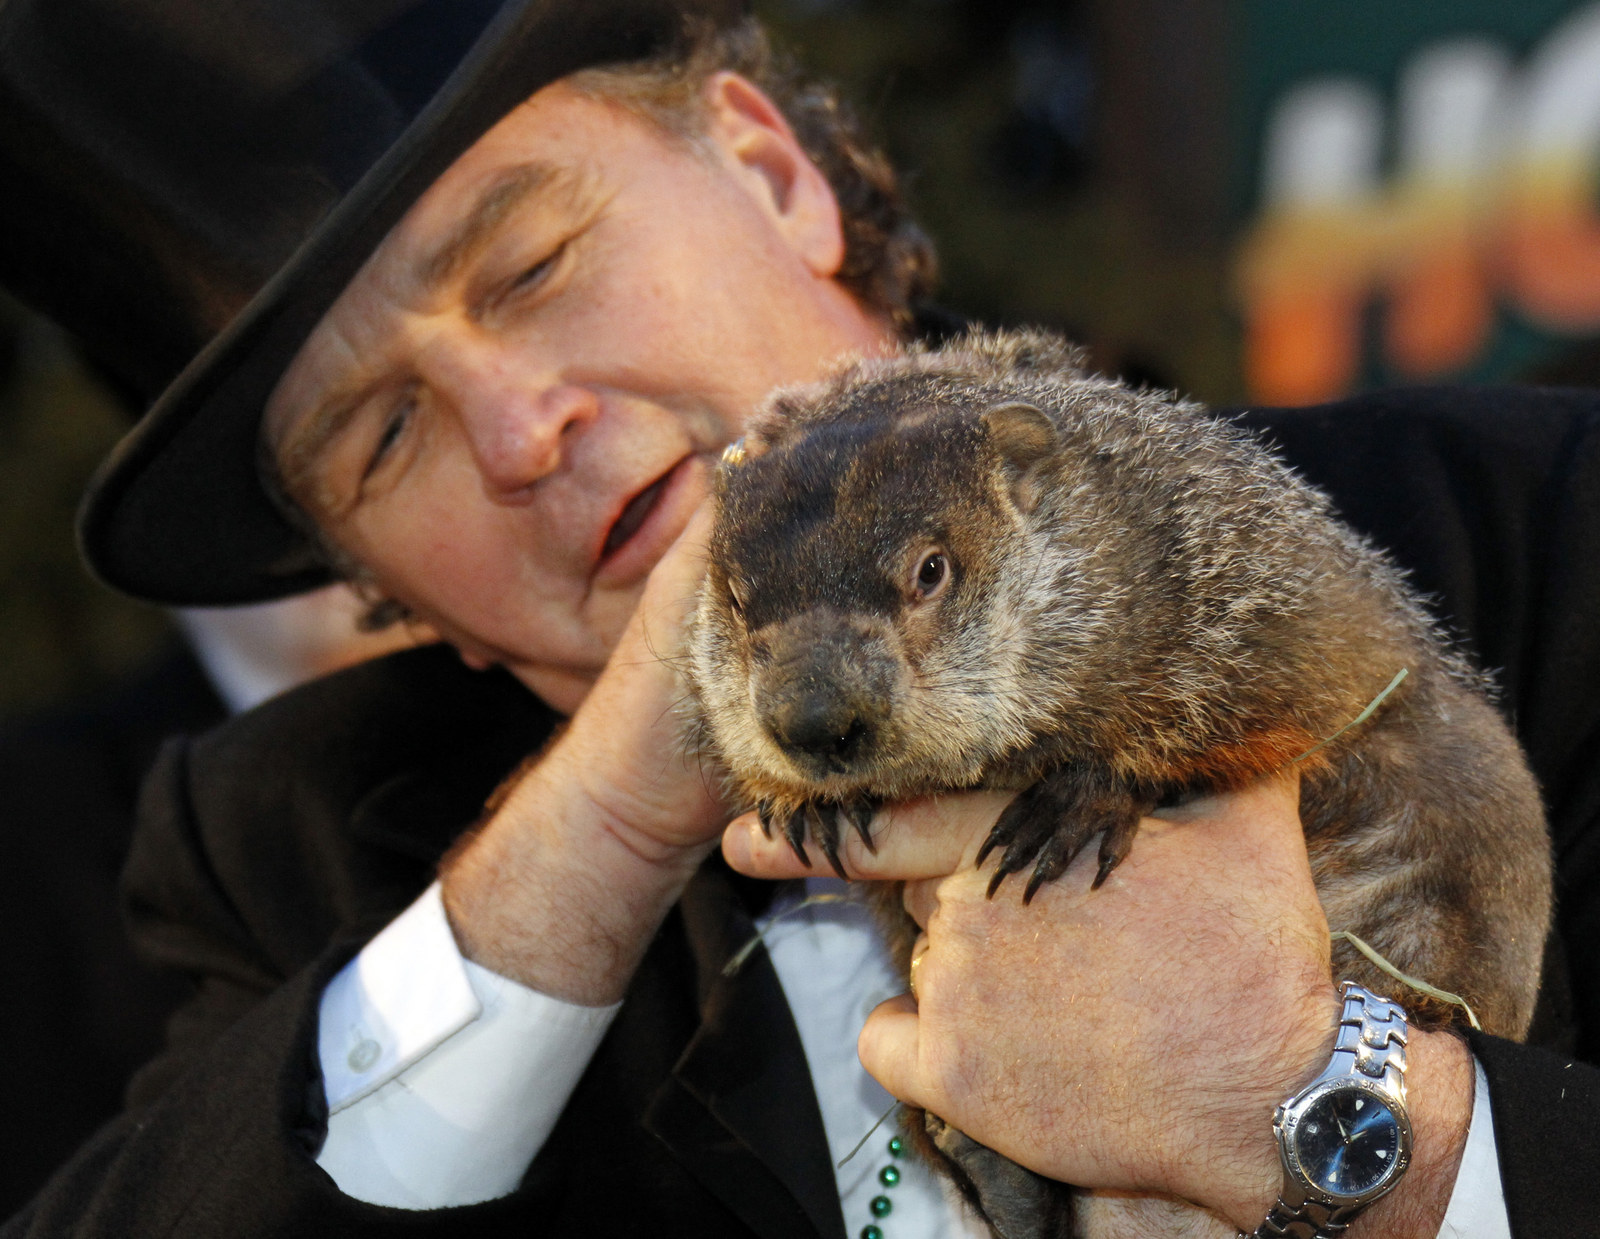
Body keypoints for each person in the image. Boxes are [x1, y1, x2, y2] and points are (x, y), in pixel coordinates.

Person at [1, 2, 1597, 1236]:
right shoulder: (288, 861)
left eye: (535, 263)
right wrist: (607, 834)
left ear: (771, 177)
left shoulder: (1522, 514)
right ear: (389, 592)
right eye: (382, 437)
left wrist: (1324, 1114)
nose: (516, 427)